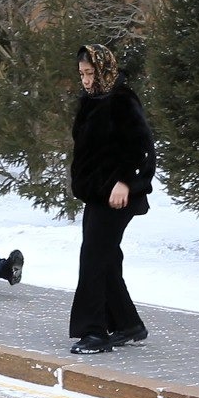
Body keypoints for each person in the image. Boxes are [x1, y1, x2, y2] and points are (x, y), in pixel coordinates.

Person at [67, 43, 155, 354]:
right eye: (82, 74)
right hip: (97, 194)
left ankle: (94, 332)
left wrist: (126, 181)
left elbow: (143, 147)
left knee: (93, 257)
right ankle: (128, 324)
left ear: (104, 69)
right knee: (106, 257)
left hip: (118, 195)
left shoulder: (121, 99)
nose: (86, 80)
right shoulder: (91, 100)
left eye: (90, 73)